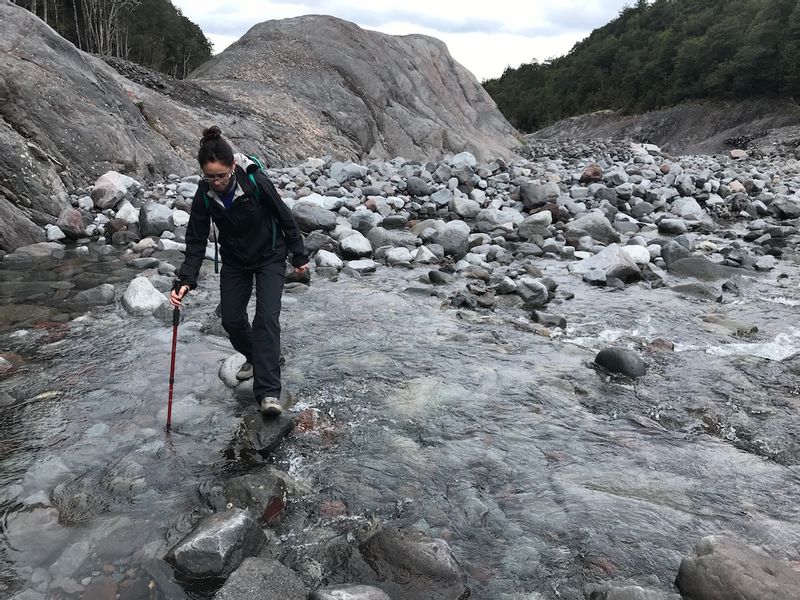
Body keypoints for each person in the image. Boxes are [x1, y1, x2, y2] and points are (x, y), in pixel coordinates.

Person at [170, 126, 309, 416]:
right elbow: (196, 239)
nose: (216, 182)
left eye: (221, 175)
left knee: (266, 319)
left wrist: (299, 255)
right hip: (235, 260)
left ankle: (269, 392)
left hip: (270, 256)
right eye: (210, 177)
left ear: (232, 166)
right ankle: (257, 357)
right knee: (232, 320)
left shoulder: (255, 181)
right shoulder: (205, 193)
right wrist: (186, 279)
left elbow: (284, 215)